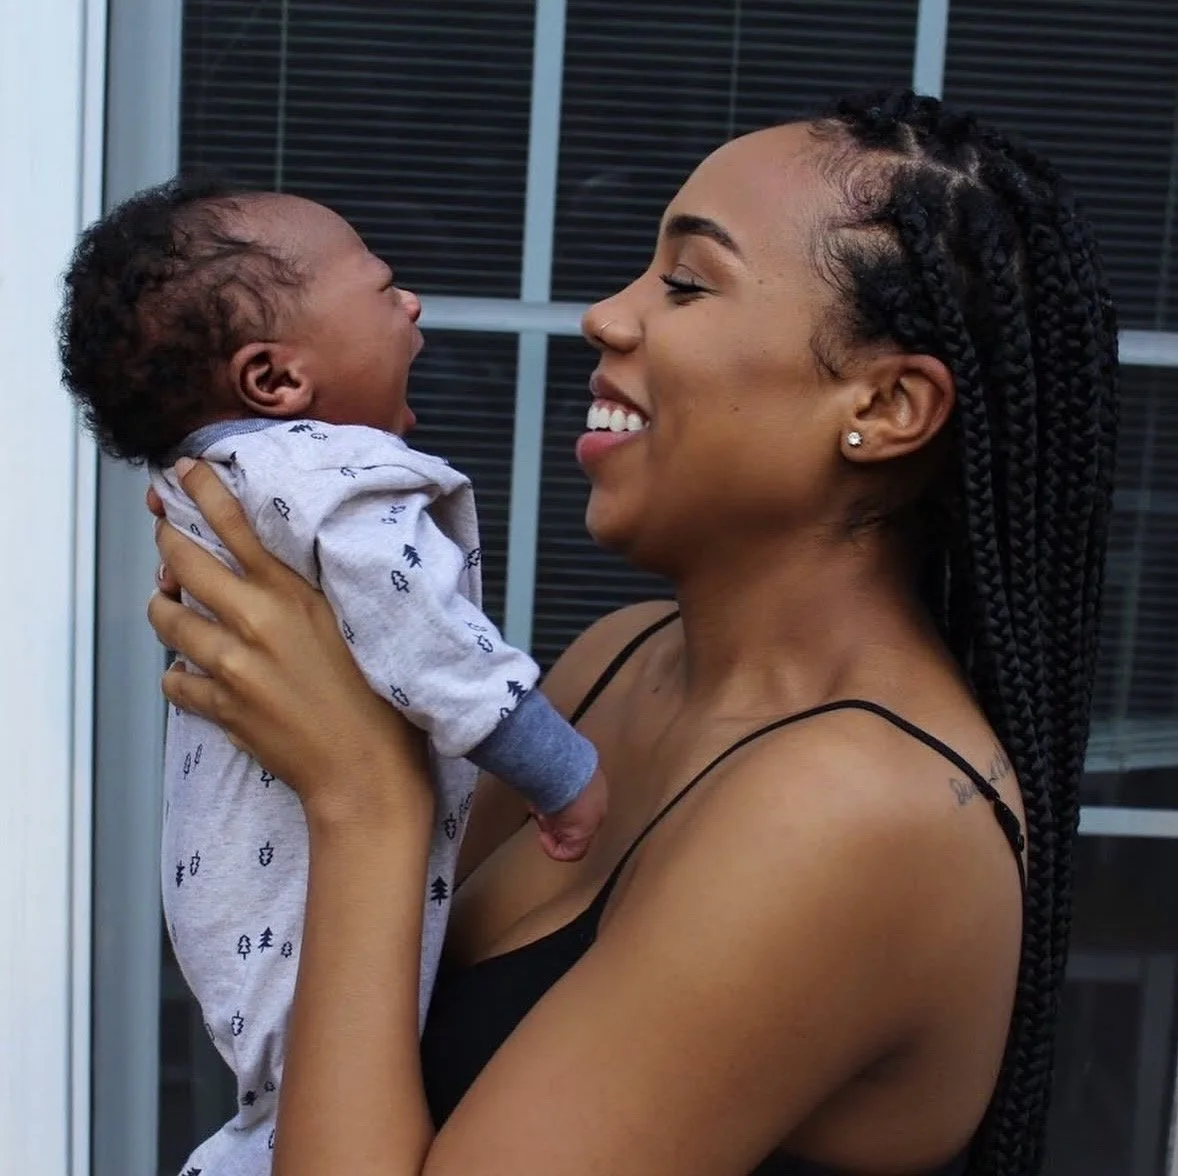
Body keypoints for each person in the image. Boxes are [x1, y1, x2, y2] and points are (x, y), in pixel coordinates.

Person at [146, 89, 1119, 1176]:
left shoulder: (853, 812)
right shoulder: (623, 658)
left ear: (885, 407)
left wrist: (362, 795)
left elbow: (370, 872)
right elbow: (357, 1017)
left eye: (687, 283)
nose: (605, 316)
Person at [59, 181, 607, 1174]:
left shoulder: (217, 482)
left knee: (284, 1069)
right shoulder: (323, 475)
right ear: (274, 379)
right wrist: (555, 767)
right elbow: (427, 641)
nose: (411, 308)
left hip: (228, 865)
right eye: (383, 287)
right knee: (309, 1073)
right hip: (288, 858)